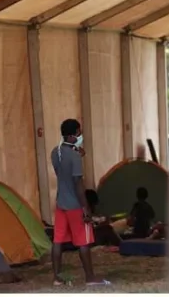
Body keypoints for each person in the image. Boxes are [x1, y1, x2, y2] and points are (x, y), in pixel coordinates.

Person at [50, 119, 105, 286]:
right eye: (79, 132)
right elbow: (78, 184)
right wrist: (86, 207)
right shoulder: (75, 157)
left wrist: (76, 155)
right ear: (73, 134)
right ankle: (90, 277)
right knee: (83, 242)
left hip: (61, 204)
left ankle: (57, 278)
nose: (81, 135)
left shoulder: (55, 152)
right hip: (75, 205)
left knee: (57, 241)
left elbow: (62, 174)